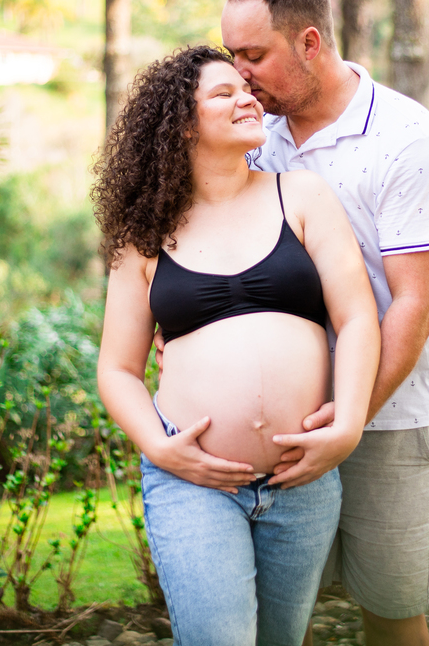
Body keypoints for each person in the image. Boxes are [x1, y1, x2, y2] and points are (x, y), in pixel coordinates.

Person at [92, 45, 381, 646]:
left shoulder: (300, 197)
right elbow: (118, 369)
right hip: (192, 483)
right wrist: (159, 446)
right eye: (223, 93)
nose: (247, 97)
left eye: (245, 89)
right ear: (179, 123)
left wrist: (348, 424)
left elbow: (356, 318)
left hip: (300, 478)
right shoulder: (145, 235)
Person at [221, 0, 429, 646]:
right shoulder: (253, 133)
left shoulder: (406, 139)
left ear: (309, 43)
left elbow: (414, 302)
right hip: (284, 415)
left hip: (394, 415)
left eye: (254, 57)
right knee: (272, 612)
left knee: (389, 611)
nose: (241, 77)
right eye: (231, 56)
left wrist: (351, 418)